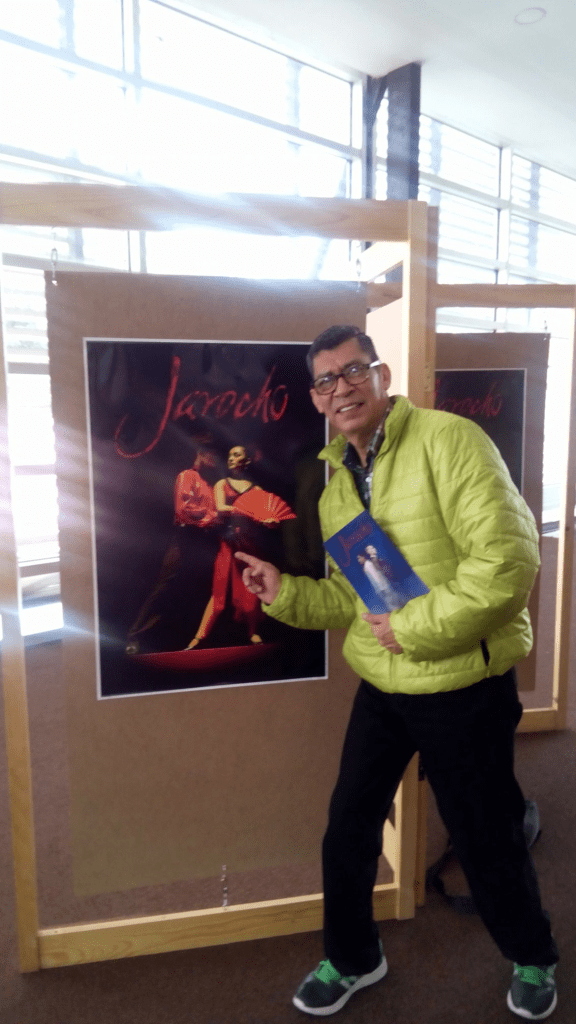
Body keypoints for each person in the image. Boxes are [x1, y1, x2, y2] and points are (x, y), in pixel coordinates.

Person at [235, 325, 558, 1021]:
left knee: (486, 837)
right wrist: (284, 593)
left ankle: (533, 955)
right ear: (317, 399)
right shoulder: (336, 493)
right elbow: (353, 603)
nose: (342, 388)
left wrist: (410, 629)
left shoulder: (451, 440)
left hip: (463, 687)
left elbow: (508, 563)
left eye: (354, 371)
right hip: (383, 687)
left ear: (382, 376)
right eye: (326, 380)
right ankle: (355, 957)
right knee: (347, 830)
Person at [186, 444, 285, 649]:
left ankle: (253, 632)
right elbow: (221, 507)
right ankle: (199, 636)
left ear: (246, 460)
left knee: (252, 590)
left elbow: (265, 517)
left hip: (249, 544)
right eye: (230, 455)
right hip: (229, 544)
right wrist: (247, 511)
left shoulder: (256, 489)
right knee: (219, 593)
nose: (231, 458)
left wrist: (270, 521)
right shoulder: (222, 484)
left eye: (237, 455)